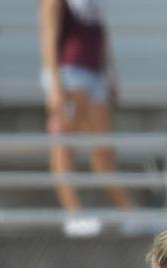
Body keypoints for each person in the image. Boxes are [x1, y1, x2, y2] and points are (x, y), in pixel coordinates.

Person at [40, 0, 135, 238]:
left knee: (103, 151)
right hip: (69, 73)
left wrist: (111, 72)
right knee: (65, 147)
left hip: (95, 75)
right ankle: (73, 214)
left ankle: (130, 214)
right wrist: (55, 86)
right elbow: (48, 37)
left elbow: (102, 34)